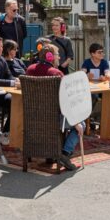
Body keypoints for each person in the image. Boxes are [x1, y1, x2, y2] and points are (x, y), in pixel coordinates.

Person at [25, 42, 82, 171]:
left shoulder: (29, 69)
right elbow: (66, 99)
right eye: (57, 55)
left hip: (32, 118)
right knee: (80, 125)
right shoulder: (56, 73)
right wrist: (76, 121)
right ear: (50, 57)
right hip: (55, 119)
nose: (60, 58)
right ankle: (64, 153)